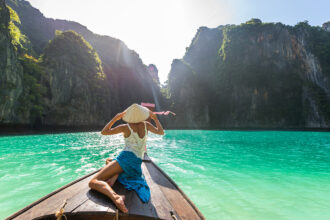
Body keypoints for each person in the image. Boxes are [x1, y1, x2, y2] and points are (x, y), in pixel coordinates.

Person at [88, 103, 164, 213]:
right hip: (136, 163)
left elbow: (104, 132)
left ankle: (116, 197)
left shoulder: (125, 127)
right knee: (109, 160)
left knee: (93, 182)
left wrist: (115, 118)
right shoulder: (146, 125)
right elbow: (161, 132)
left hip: (126, 158)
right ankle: (116, 174)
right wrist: (155, 119)